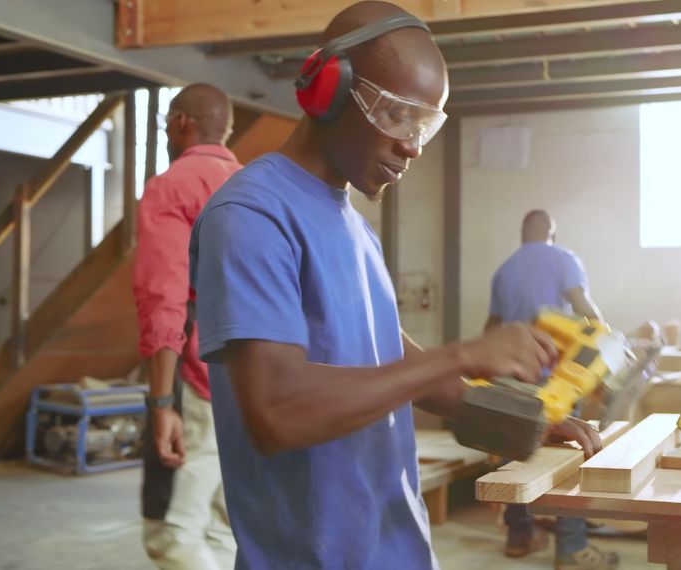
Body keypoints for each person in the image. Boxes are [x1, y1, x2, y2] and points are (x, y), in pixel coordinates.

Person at [187, 3, 601, 568]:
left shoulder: (357, 229)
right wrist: (463, 354)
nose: (412, 145)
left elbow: (392, 359)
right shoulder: (251, 215)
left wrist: (519, 421)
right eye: (397, 115)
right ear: (329, 89)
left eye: (424, 125)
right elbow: (276, 411)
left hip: (397, 548)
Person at [133, 83, 240, 570]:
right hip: (252, 386)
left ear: (180, 123)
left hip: (197, 380)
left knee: (171, 533)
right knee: (222, 527)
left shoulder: (173, 186)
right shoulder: (253, 186)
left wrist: (161, 404)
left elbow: (164, 297)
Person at [485, 209, 618, 570]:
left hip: (512, 377)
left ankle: (519, 536)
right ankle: (572, 548)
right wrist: (608, 350)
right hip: (555, 379)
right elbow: (584, 308)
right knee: (568, 458)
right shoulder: (563, 259)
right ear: (551, 233)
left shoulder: (504, 270)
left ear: (523, 235)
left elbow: (492, 327)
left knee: (516, 453)